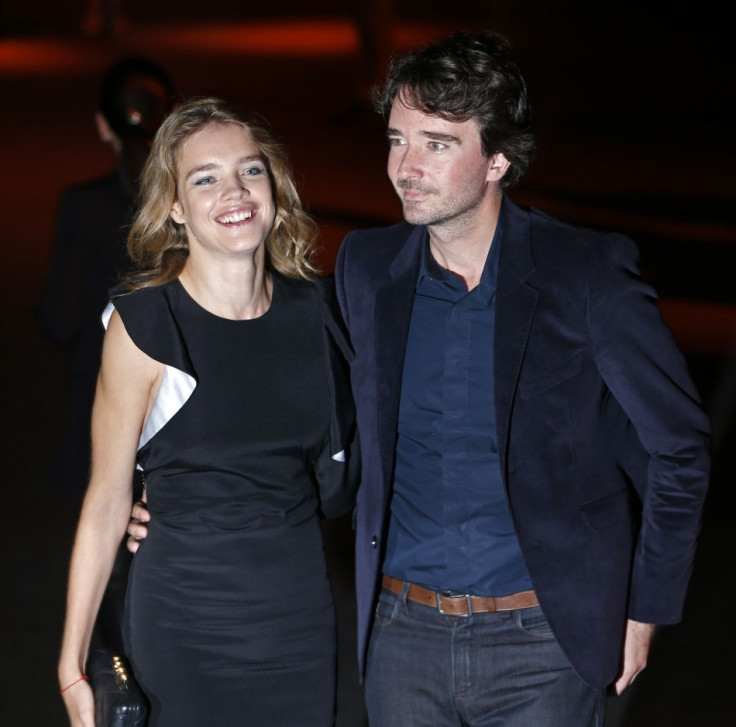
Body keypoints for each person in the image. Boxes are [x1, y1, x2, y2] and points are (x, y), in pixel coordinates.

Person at [333, 31, 710, 726]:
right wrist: (179, 500)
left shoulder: (584, 275)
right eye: (396, 139)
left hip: (543, 641)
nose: (405, 167)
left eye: (437, 144)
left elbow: (677, 447)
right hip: (402, 638)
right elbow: (323, 425)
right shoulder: (366, 268)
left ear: (499, 158)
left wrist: (647, 606)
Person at [58, 97, 358, 727]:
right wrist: (72, 665)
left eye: (250, 170)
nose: (235, 191)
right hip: (181, 622)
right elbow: (107, 501)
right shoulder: (144, 326)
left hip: (297, 619)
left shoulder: (322, 314)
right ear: (174, 207)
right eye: (205, 178)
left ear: (273, 183)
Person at [40, 56, 177, 501]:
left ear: (103, 126)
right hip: (177, 396)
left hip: (100, 391)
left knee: (107, 521)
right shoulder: (191, 204)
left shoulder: (82, 206)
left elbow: (59, 318)